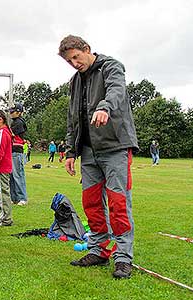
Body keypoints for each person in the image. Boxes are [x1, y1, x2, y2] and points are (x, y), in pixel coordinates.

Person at [59, 34, 138, 279]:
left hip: (114, 146)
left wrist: (104, 106)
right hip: (88, 152)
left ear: (87, 49)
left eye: (76, 57)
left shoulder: (111, 67)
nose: (74, 63)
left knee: (118, 203)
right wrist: (71, 151)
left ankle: (123, 256)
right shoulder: (75, 81)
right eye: (69, 61)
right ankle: (99, 250)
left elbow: (117, 91)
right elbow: (74, 118)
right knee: (91, 203)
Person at [9, 103, 28, 206]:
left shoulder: (19, 122)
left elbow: (11, 134)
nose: (11, 113)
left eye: (13, 111)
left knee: (18, 175)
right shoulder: (14, 122)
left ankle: (22, 197)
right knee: (11, 175)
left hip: (17, 151)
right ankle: (14, 197)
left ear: (19, 112)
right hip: (12, 151)